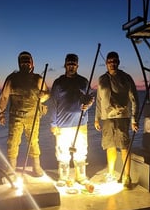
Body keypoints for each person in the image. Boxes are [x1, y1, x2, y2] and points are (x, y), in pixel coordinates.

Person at [0, 51, 49, 177]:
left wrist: (42, 97)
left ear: (32, 63)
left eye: (27, 61)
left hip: (33, 117)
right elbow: (4, 96)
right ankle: (11, 168)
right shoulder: (12, 79)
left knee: (33, 142)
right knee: (12, 142)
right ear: (19, 63)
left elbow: (47, 93)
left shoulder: (37, 78)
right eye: (23, 61)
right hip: (16, 117)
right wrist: (1, 112)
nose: (25, 63)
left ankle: (36, 167)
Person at [94, 51, 139, 189]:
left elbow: (134, 98)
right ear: (106, 63)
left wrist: (134, 119)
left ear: (118, 62)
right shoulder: (101, 79)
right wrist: (96, 118)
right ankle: (111, 173)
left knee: (124, 146)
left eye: (114, 61)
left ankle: (127, 176)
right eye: (109, 61)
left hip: (122, 117)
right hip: (106, 119)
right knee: (109, 146)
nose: (112, 63)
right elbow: (99, 100)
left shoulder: (126, 78)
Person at [49, 53, 94, 185]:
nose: (71, 66)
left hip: (81, 124)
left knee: (81, 151)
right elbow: (53, 103)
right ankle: (63, 177)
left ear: (77, 65)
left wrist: (89, 103)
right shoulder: (58, 83)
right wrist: (53, 123)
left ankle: (81, 177)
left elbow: (91, 97)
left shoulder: (84, 81)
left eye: (74, 64)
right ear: (65, 65)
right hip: (62, 125)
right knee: (62, 153)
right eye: (69, 63)